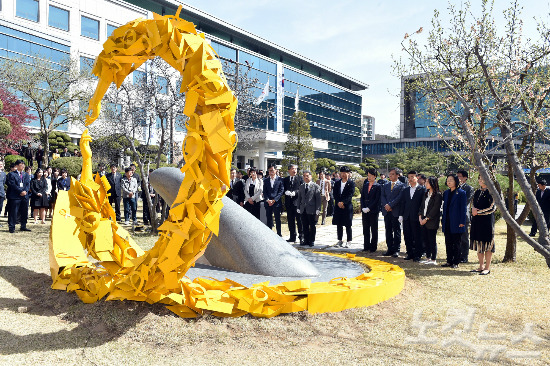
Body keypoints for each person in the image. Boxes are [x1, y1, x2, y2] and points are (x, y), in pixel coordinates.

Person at [470, 175, 496, 275]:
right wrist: (473, 210)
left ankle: (487, 267)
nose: (481, 180)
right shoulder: (477, 192)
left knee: (488, 244)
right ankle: (480, 266)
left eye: (483, 178)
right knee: (479, 243)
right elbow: (472, 204)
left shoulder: (492, 192)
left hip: (487, 221)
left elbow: (492, 208)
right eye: (479, 178)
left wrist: (478, 212)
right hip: (476, 221)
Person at [441, 173, 467, 269]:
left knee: (456, 242)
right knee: (448, 242)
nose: (449, 182)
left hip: (457, 221)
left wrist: (462, 221)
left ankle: (456, 262)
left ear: (456, 181)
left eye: (451, 180)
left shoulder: (461, 193)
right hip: (447, 220)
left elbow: (463, 208)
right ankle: (449, 261)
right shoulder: (446, 193)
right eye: (448, 180)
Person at [400, 171, 426, 262]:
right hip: (406, 216)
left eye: (412, 177)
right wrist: (401, 215)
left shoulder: (422, 189)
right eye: (409, 177)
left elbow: (423, 205)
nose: (410, 179)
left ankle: (418, 254)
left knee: (417, 236)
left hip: (416, 217)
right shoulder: (406, 190)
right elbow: (403, 203)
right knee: (407, 236)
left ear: (417, 177)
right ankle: (409, 253)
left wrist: (421, 215)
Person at [380, 168, 405, 257]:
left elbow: (399, 197)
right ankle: (389, 248)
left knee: (397, 230)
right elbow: (382, 196)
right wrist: (386, 205)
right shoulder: (385, 185)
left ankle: (396, 250)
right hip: (386, 211)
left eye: (393, 174)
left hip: (395, 211)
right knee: (388, 230)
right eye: (390, 174)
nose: (390, 176)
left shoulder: (402, 185)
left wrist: (390, 205)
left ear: (398, 175)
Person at [418, 176, 443, 265]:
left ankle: (433, 259)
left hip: (431, 220)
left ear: (433, 183)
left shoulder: (438, 195)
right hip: (423, 219)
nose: (426, 183)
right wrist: (420, 217)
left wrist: (426, 218)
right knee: (425, 239)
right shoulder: (426, 194)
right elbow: (421, 206)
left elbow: (435, 209)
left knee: (432, 240)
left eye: (428, 182)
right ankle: (428, 257)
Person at [296, 170, 321, 247]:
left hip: (312, 209)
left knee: (312, 226)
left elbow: (318, 199)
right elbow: (299, 198)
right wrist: (298, 207)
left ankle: (311, 240)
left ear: (311, 176)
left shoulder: (315, 186)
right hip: (303, 209)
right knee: (305, 225)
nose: (305, 177)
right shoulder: (301, 186)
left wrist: (318, 209)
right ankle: (306, 240)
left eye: (307, 176)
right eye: (304, 176)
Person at [333, 166, 355, 248]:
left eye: (345, 173)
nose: (343, 174)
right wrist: (338, 202)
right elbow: (335, 194)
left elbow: (350, 195)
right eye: (341, 173)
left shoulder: (351, 183)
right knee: (339, 224)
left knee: (348, 224)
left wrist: (343, 203)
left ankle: (349, 241)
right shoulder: (337, 183)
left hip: (347, 206)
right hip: (338, 206)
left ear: (348, 174)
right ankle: (340, 240)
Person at [6, 159, 31, 233]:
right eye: (21, 164)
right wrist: (20, 191)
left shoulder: (26, 174)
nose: (23, 166)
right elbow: (12, 185)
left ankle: (23, 226)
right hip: (15, 196)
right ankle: (11, 227)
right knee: (13, 212)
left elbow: (27, 184)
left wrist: (25, 191)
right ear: (16, 166)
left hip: (24, 196)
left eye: (23, 164)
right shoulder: (12, 174)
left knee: (24, 212)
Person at [361, 168, 381, 252]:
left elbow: (377, 199)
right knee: (365, 228)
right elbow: (362, 197)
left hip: (373, 210)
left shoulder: (378, 186)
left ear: (375, 176)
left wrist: (369, 208)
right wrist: (363, 207)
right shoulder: (365, 185)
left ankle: (373, 247)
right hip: (365, 210)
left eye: (370, 176)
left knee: (373, 229)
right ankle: (366, 246)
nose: (368, 177)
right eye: (368, 175)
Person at [283, 164, 303, 244]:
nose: (294, 170)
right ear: (289, 170)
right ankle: (292, 236)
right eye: (292, 169)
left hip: (297, 202)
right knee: (290, 220)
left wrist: (295, 192)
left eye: (295, 169)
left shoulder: (300, 178)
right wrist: (286, 192)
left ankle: (302, 237)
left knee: (299, 220)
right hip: (289, 203)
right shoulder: (286, 179)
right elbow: (283, 188)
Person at [263, 163, 284, 236]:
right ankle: (270, 234)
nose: (271, 172)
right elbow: (264, 191)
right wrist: (268, 200)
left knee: (277, 219)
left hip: (276, 202)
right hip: (268, 202)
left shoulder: (280, 180)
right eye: (269, 170)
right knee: (269, 219)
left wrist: (274, 200)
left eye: (272, 170)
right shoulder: (265, 180)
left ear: (276, 170)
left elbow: (281, 191)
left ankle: (279, 234)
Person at [457, 170, 473, 263]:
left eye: (460, 176)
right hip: (454, 216)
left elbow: (466, 201)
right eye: (457, 176)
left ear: (465, 178)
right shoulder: (454, 187)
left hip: (463, 216)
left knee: (464, 237)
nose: (458, 178)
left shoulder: (469, 188)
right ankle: (457, 254)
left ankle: (464, 256)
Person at [0, 161, 5, 225]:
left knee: (0, 207)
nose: (0, 165)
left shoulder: (3, 174)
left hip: (1, 193)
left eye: (1, 164)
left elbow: (3, 183)